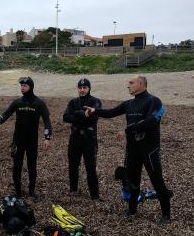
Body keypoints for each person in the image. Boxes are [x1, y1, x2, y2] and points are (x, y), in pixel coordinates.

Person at [85, 75, 172, 224]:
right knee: (132, 181)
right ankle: (132, 209)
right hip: (132, 149)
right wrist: (95, 111)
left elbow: (151, 121)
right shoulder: (129, 104)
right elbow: (111, 112)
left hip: (149, 149)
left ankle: (166, 215)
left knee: (157, 181)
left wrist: (127, 130)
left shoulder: (154, 101)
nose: (128, 86)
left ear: (141, 84)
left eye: (131, 83)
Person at [0, 77, 52, 198]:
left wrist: (47, 137)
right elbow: (6, 113)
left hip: (32, 140)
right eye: (21, 86)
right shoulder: (18, 102)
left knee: (32, 165)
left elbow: (47, 121)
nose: (22, 88)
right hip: (18, 139)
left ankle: (31, 191)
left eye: (25, 86)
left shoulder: (39, 103)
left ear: (31, 87)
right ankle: (18, 191)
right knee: (17, 165)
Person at [63, 78, 102, 200]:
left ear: (89, 88)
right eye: (80, 88)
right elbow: (65, 117)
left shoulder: (95, 101)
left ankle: (94, 194)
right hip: (75, 138)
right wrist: (82, 114)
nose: (82, 90)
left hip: (89, 139)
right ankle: (73, 189)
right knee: (73, 165)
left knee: (90, 166)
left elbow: (93, 118)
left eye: (85, 87)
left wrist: (75, 115)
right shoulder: (73, 102)